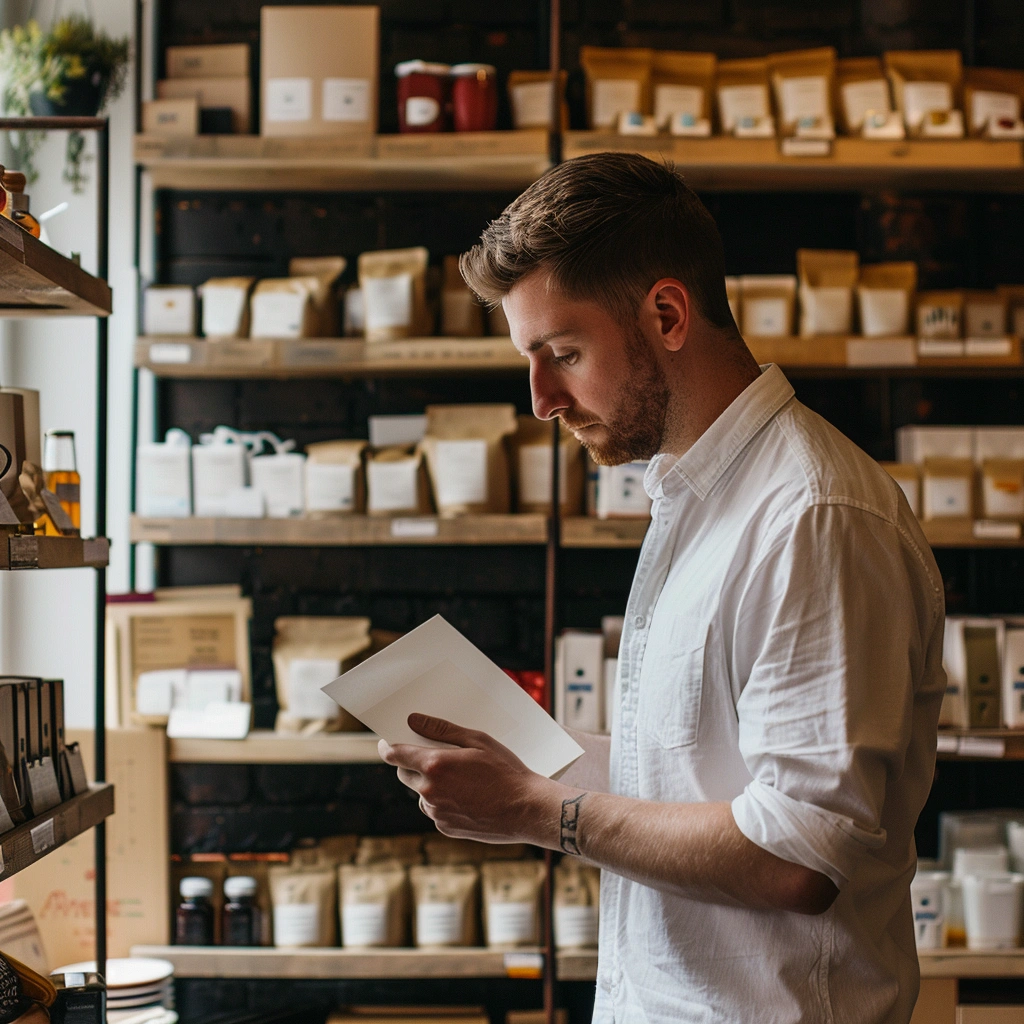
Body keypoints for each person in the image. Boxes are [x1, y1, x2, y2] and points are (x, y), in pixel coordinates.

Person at [379, 153, 946, 1024]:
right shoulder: (700, 499)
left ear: (668, 315)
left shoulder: (813, 516)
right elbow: (692, 778)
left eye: (564, 353)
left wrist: (537, 809)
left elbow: (801, 855)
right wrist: (524, 755)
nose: (542, 400)